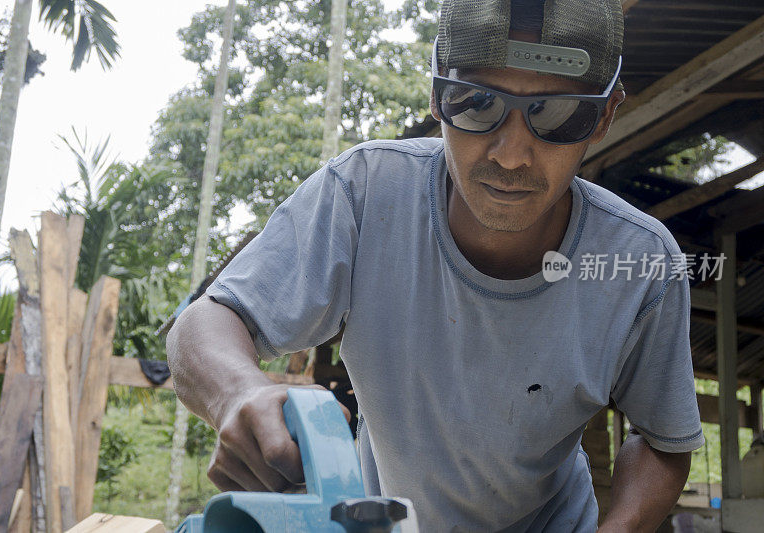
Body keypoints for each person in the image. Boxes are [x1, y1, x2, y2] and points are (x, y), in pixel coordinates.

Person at [167, 0, 705, 530]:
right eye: (476, 102)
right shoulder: (364, 195)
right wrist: (238, 391)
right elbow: (210, 320)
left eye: (559, 114)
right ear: (434, 94)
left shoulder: (641, 263)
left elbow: (664, 440)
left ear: (605, 116)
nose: (511, 155)